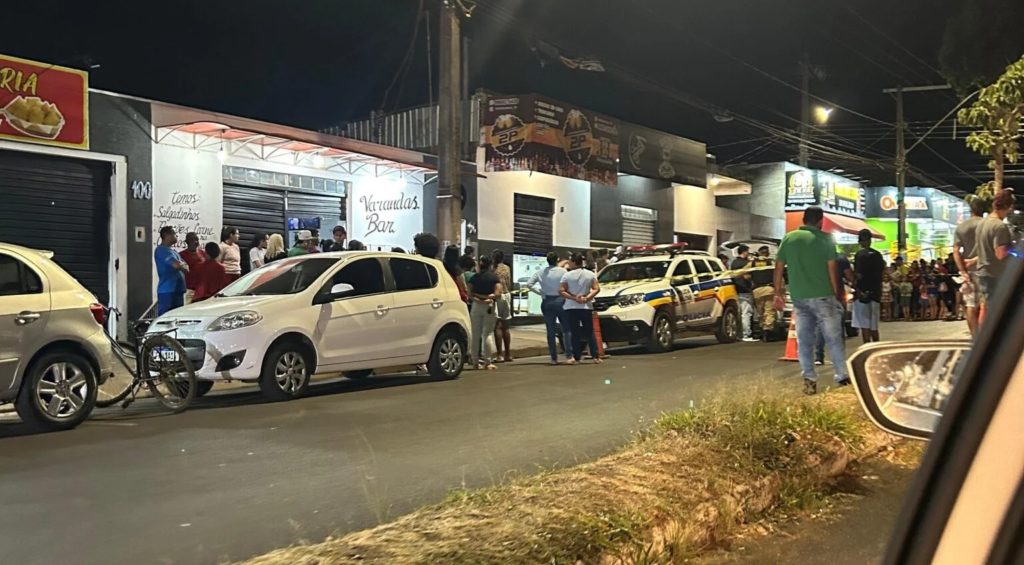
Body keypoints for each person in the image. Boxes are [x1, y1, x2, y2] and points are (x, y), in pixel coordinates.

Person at [773, 206, 850, 395]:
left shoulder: (789, 238)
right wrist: (836, 293)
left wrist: (777, 293)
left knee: (805, 340)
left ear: (804, 219)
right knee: (833, 338)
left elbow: (779, 267)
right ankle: (841, 375)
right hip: (823, 296)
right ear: (820, 221)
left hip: (799, 297)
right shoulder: (826, 239)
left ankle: (809, 378)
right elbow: (831, 268)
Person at [974, 189, 1016, 324]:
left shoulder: (982, 223)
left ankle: (982, 336)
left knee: (986, 309)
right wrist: (1016, 252)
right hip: (996, 274)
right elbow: (1000, 254)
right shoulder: (999, 226)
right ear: (1008, 206)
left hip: (983, 272)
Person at [528, 251, 570, 365]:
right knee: (566, 328)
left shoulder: (541, 272)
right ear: (557, 260)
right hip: (561, 300)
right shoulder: (563, 271)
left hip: (547, 301)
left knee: (550, 330)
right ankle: (569, 355)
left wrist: (541, 292)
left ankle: (553, 358)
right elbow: (568, 285)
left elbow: (529, 284)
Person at [560, 253, 602, 365]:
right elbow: (596, 288)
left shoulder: (567, 275)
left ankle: (577, 357)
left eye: (570, 261)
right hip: (586, 306)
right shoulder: (590, 274)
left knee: (575, 332)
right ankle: (596, 356)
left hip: (571, 306)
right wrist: (587, 298)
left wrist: (574, 298)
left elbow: (562, 290)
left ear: (574, 262)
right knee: (589, 331)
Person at [815, 252, 853, 365]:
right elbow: (849, 276)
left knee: (820, 326)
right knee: (839, 327)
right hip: (837, 296)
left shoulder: (815, 256)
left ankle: (819, 356)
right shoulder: (841, 258)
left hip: (819, 295)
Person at [467, 256, 501, 371]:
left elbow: (469, 293)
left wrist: (478, 298)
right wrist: (487, 298)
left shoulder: (474, 278)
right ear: (490, 265)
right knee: (487, 334)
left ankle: (475, 362)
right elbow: (498, 293)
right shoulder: (494, 278)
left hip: (476, 307)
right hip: (489, 306)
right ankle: (487, 362)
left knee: (475, 334)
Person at [852, 229, 885, 343]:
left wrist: (856, 286)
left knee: (864, 325)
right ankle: (876, 346)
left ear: (860, 241)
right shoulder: (878, 255)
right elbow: (882, 272)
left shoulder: (859, 255)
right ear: (870, 240)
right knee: (874, 325)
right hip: (876, 293)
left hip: (863, 293)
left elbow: (858, 274)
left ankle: (867, 348)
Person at [154, 226, 188, 316]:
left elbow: (186, 267)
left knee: (177, 317)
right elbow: (176, 265)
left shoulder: (174, 252)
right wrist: (181, 265)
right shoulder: (162, 250)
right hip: (167, 290)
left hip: (178, 290)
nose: (176, 236)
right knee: (166, 317)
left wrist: (181, 265)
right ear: (166, 235)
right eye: (174, 234)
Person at [730, 245, 757, 342]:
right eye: (747, 252)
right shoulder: (746, 263)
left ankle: (739, 333)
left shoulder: (734, 262)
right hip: (745, 290)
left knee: (740, 313)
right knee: (746, 313)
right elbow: (747, 276)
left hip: (736, 290)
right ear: (744, 252)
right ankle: (746, 334)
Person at [750, 246, 777, 340]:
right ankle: (767, 331)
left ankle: (762, 329)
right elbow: (778, 274)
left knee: (760, 311)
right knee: (769, 311)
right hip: (769, 289)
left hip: (757, 290)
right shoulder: (771, 262)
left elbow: (743, 273)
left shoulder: (752, 263)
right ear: (767, 253)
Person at [492, 250, 514, 363]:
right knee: (506, 326)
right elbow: (509, 283)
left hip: (497, 296)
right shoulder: (507, 268)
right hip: (507, 295)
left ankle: (499, 354)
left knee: (497, 326)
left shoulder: (493, 269)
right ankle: (508, 354)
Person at [179, 232, 207, 305]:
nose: (195, 242)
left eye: (197, 239)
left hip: (202, 290)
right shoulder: (181, 255)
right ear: (187, 242)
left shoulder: (203, 253)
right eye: (192, 240)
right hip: (189, 289)